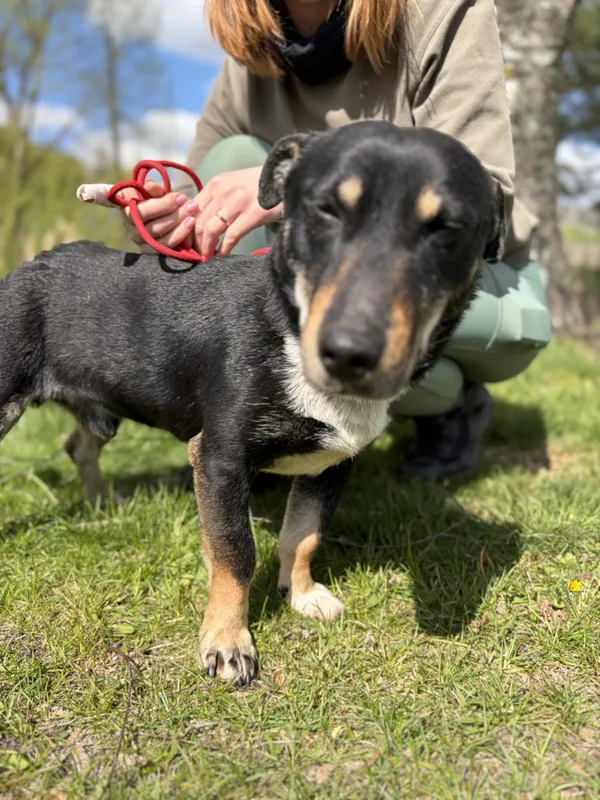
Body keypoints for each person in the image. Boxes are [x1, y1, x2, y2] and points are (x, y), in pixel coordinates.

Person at [120, 0, 552, 481]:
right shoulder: (249, 51)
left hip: (482, 275)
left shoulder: (442, 11)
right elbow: (197, 193)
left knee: (465, 343)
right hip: (331, 273)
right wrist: (162, 213)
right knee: (232, 155)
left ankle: (450, 404)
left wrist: (297, 186)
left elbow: (482, 187)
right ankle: (260, 427)